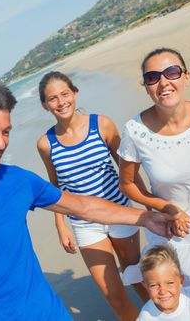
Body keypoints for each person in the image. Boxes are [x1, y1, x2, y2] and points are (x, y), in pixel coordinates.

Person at [0, 76, 173, 321]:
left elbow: (82, 205)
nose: (0, 143)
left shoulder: (16, 180)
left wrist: (147, 217)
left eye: (5, 132)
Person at [36, 71, 148, 320]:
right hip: (84, 224)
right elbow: (55, 188)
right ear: (45, 105)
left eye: (65, 94)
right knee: (115, 296)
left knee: (138, 278)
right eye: (52, 98)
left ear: (75, 93)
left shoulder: (102, 124)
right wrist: (60, 226)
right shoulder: (46, 143)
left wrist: (146, 204)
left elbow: (127, 171)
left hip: (120, 213)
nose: (61, 102)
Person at [118, 48, 190, 297]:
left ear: (186, 77)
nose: (163, 82)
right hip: (176, 235)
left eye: (171, 72)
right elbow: (128, 185)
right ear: (146, 86)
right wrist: (165, 207)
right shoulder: (135, 130)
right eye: (153, 77)